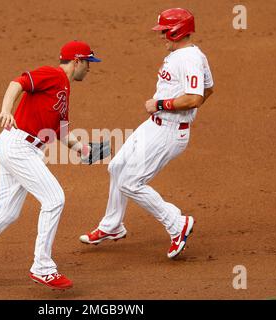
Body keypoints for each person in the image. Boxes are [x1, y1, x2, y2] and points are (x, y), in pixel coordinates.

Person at [0, 40, 101, 293]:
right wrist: (7, 110)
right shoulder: (52, 74)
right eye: (88, 63)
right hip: (18, 146)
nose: (90, 69)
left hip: (23, 148)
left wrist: (82, 149)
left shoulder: (64, 88)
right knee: (55, 198)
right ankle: (43, 267)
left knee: (5, 213)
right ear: (77, 61)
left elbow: (60, 129)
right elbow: (18, 82)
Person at [80, 8, 214, 259]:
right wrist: (173, 110)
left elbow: (196, 97)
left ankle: (176, 223)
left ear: (177, 31)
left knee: (131, 182)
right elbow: (208, 89)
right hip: (154, 125)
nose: (162, 36)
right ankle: (112, 226)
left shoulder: (187, 59)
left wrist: (165, 106)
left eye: (164, 31)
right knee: (117, 167)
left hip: (168, 131)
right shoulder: (188, 54)